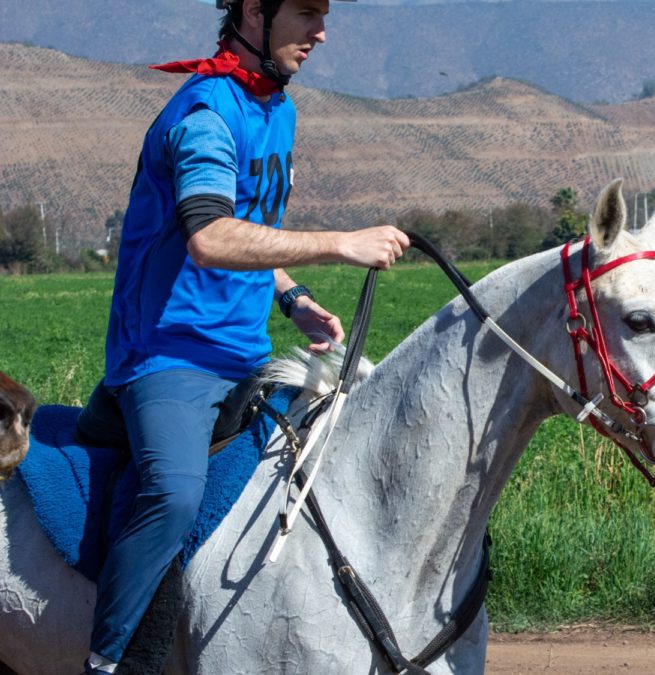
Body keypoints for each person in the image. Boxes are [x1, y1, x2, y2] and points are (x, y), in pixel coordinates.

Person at [74, 1, 408, 672]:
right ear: (254, 12)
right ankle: (108, 661)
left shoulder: (276, 108)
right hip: (168, 356)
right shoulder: (204, 113)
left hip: (247, 352)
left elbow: (249, 225)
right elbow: (209, 236)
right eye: (306, 13)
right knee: (173, 493)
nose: (321, 32)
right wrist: (340, 244)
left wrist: (293, 298)